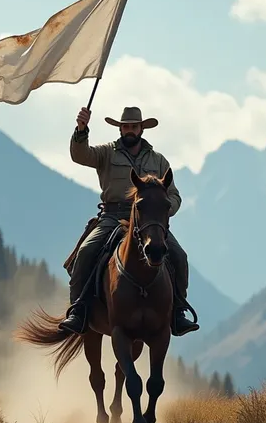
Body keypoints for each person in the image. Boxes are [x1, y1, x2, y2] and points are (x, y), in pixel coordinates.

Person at [59, 105, 199, 337]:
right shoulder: (106, 153)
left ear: (141, 129)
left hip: (149, 221)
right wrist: (81, 130)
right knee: (86, 252)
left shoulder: (159, 160)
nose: (129, 130)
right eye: (125, 127)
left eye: (134, 126)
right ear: (120, 129)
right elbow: (80, 156)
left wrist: (163, 210)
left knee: (179, 256)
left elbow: (173, 194)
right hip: (113, 217)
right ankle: (79, 311)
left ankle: (178, 311)